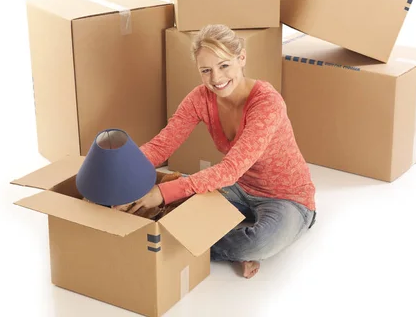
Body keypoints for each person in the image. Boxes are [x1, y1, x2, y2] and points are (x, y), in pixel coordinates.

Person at [128, 24, 316, 279]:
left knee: (259, 243)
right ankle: (214, 243)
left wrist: (162, 192)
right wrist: (124, 171)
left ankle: (227, 248)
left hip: (286, 198)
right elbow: (162, 145)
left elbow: (229, 169)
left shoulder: (267, 103)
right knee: (171, 204)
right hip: (238, 186)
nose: (216, 78)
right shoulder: (200, 98)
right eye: (206, 70)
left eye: (224, 65)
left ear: (241, 59)